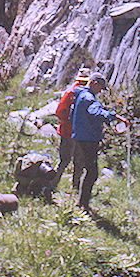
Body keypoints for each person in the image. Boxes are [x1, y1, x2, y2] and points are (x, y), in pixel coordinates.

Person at [71, 72, 128, 211]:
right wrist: (114, 116)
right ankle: (83, 205)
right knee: (92, 173)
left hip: (81, 136)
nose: (101, 91)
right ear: (94, 83)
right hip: (88, 139)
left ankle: (82, 202)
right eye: (101, 88)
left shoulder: (81, 95)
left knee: (89, 170)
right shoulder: (88, 97)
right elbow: (95, 113)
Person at [54, 67, 90, 186]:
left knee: (64, 161)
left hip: (68, 132)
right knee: (78, 162)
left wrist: (67, 122)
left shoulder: (69, 92)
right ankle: (75, 187)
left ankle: (53, 184)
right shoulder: (88, 95)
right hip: (80, 134)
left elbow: (59, 111)